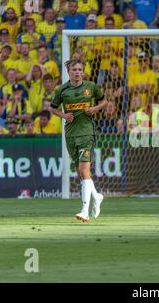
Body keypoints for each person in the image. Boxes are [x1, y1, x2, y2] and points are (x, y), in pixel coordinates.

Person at [50, 58, 108, 222]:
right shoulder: (62, 90)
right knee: (81, 174)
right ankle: (96, 197)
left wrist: (94, 109)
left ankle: (84, 211)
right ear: (68, 72)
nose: (77, 72)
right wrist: (63, 115)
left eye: (80, 69)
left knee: (84, 171)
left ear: (83, 71)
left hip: (86, 133)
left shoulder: (91, 87)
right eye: (74, 69)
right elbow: (53, 108)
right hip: (70, 134)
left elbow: (104, 101)